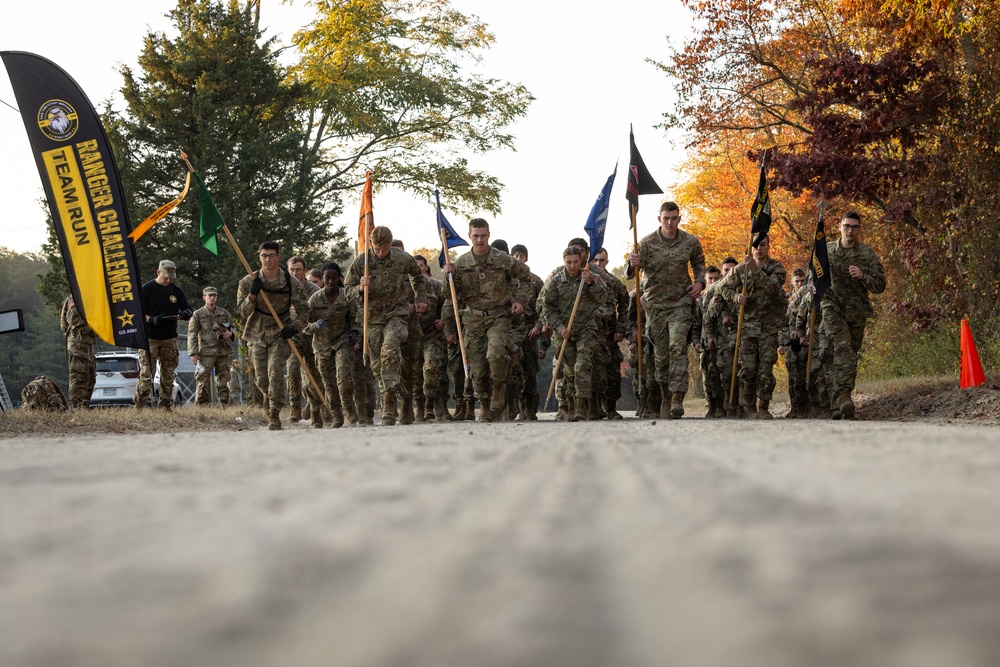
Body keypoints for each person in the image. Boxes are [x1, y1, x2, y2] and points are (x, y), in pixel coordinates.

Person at [442, 218, 532, 422]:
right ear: (470, 236)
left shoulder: (503, 260)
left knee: (497, 355)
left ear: (489, 235)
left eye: (483, 235)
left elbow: (527, 277)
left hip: (499, 317)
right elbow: (450, 296)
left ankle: (499, 390)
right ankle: (484, 405)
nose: (480, 240)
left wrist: (520, 300)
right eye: (476, 236)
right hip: (473, 319)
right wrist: (447, 276)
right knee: (478, 368)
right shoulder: (461, 263)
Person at [627, 201, 707, 418]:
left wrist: (700, 283)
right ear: (659, 219)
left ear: (679, 219)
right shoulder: (646, 243)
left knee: (677, 346)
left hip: (680, 302)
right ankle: (664, 396)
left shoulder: (690, 241)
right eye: (666, 218)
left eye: (674, 218)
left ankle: (677, 398)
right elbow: (630, 273)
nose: (670, 222)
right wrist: (632, 263)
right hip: (655, 307)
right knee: (661, 357)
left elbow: (700, 264)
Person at [345, 226, 428, 426]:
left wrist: (421, 297)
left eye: (385, 249)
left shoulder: (402, 258)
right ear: (371, 244)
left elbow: (417, 277)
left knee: (389, 350)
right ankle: (396, 398)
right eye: (377, 249)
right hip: (372, 317)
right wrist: (360, 287)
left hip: (397, 314)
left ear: (391, 244)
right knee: (377, 365)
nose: (381, 253)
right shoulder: (361, 262)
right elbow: (347, 290)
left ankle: (392, 404)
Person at [822, 211, 886, 419]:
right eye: (846, 226)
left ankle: (837, 403)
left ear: (859, 229)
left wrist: (863, 275)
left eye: (854, 227)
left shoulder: (867, 254)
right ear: (839, 227)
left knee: (850, 354)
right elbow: (812, 278)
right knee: (843, 347)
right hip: (832, 305)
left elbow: (880, 285)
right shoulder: (826, 250)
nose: (850, 230)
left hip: (856, 311)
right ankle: (844, 397)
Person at [237, 242, 308, 429]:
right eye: (264, 256)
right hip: (256, 334)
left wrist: (294, 327)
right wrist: (252, 295)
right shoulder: (247, 282)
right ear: (259, 257)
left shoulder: (291, 282)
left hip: (280, 332)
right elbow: (242, 313)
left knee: (275, 371)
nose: (267, 259)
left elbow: (304, 311)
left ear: (278, 257)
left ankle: (274, 415)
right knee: (262, 380)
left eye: (271, 255)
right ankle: (269, 398)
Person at [717, 234, 787, 418]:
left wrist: (755, 270)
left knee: (765, 369)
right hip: (747, 326)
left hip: (769, 326)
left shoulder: (776, 268)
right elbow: (722, 288)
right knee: (747, 368)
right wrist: (735, 297)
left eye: (763, 245)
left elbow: (774, 289)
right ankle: (748, 406)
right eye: (755, 246)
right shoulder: (740, 270)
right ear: (751, 247)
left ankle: (763, 406)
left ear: (768, 246)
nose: (759, 249)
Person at [541, 246, 609, 421]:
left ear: (582, 261)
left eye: (576, 262)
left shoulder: (592, 277)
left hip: (586, 327)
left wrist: (590, 283)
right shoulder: (555, 282)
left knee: (583, 365)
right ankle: (571, 404)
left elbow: (604, 297)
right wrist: (559, 327)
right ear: (564, 261)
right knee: (570, 370)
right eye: (569, 262)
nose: (572, 266)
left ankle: (581, 406)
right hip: (564, 331)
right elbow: (547, 308)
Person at [303, 262, 359, 427]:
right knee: (328, 383)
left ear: (339, 278)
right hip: (322, 346)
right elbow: (304, 325)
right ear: (322, 279)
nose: (330, 282)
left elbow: (355, 319)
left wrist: (355, 333)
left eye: (334, 278)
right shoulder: (315, 299)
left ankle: (350, 410)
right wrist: (315, 326)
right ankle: (337, 416)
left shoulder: (346, 297)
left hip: (342, 342)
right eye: (327, 278)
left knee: (343, 378)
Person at [134, 260, 192, 410]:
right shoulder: (147, 289)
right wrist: (150, 319)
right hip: (150, 338)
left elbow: (187, 308)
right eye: (166, 277)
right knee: (147, 374)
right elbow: (136, 312)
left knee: (168, 375)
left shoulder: (176, 291)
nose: (168, 280)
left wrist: (185, 313)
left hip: (169, 338)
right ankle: (139, 405)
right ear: (158, 272)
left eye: (171, 277)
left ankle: (166, 405)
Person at [285, 255, 325, 426]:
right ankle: (295, 407)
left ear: (305, 271)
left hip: (312, 338)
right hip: (293, 337)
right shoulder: (283, 289)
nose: (295, 273)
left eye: (298, 270)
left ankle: (316, 408)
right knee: (293, 371)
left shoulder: (315, 290)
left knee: (313, 375)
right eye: (292, 270)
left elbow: (321, 315)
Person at [592, 246, 630, 419]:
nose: (598, 263)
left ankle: (611, 408)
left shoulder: (613, 282)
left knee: (612, 371)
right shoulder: (582, 278)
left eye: (602, 260)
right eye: (596, 260)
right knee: (592, 371)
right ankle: (592, 407)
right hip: (588, 333)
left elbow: (624, 306)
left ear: (607, 262)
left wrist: (621, 329)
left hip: (608, 333)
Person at [511, 244, 545, 420]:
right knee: (513, 371)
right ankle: (514, 406)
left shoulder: (536, 281)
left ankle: (530, 407)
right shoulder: (506, 280)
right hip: (511, 332)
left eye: (522, 256)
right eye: (515, 255)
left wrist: (538, 326)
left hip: (530, 332)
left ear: (526, 258)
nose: (519, 258)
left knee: (530, 371)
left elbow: (545, 308)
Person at [413, 254, 448, 421]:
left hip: (431, 335)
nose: (418, 268)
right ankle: (418, 406)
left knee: (431, 368)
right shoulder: (403, 287)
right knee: (414, 374)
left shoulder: (436, 286)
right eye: (415, 265)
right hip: (410, 337)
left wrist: (443, 321)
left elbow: (446, 307)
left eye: (421, 265)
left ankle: (430, 403)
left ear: (426, 268)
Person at [187, 286, 235, 406]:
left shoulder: (223, 313)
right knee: (203, 381)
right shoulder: (198, 314)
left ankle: (224, 405)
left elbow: (233, 326)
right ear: (204, 297)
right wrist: (193, 353)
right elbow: (192, 334)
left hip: (222, 352)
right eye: (210, 295)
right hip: (205, 353)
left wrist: (230, 333)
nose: (212, 298)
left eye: (214, 295)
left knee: (224, 381)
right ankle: (202, 407)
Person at [59, 295, 96, 409]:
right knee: (79, 377)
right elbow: (73, 319)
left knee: (90, 377)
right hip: (78, 344)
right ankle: (76, 407)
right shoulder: (76, 297)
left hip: (87, 344)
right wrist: (95, 324)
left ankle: (83, 406)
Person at [782, 268, 810, 418]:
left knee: (806, 373)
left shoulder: (808, 293)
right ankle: (796, 408)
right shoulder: (787, 298)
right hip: (792, 341)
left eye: (801, 280)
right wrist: (782, 342)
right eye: (796, 281)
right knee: (794, 375)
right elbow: (784, 319)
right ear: (791, 282)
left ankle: (808, 406)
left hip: (806, 337)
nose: (799, 284)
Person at [698, 265, 725, 418]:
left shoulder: (724, 294)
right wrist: (696, 340)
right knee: (709, 375)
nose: (713, 281)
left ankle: (724, 405)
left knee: (721, 373)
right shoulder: (701, 299)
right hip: (706, 342)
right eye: (710, 279)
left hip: (722, 339)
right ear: (706, 280)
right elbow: (697, 322)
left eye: (716, 278)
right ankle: (712, 405)